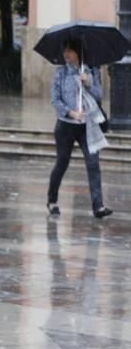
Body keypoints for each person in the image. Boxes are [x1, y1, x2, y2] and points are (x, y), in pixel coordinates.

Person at [47, 40, 112, 219]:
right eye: (64, 51)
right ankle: (52, 201)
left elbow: (100, 95)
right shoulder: (60, 72)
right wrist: (71, 113)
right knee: (62, 163)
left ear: (78, 52)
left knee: (93, 164)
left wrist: (88, 82)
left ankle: (98, 206)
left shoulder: (91, 70)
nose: (66, 55)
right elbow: (55, 99)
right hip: (65, 126)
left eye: (70, 51)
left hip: (88, 126)